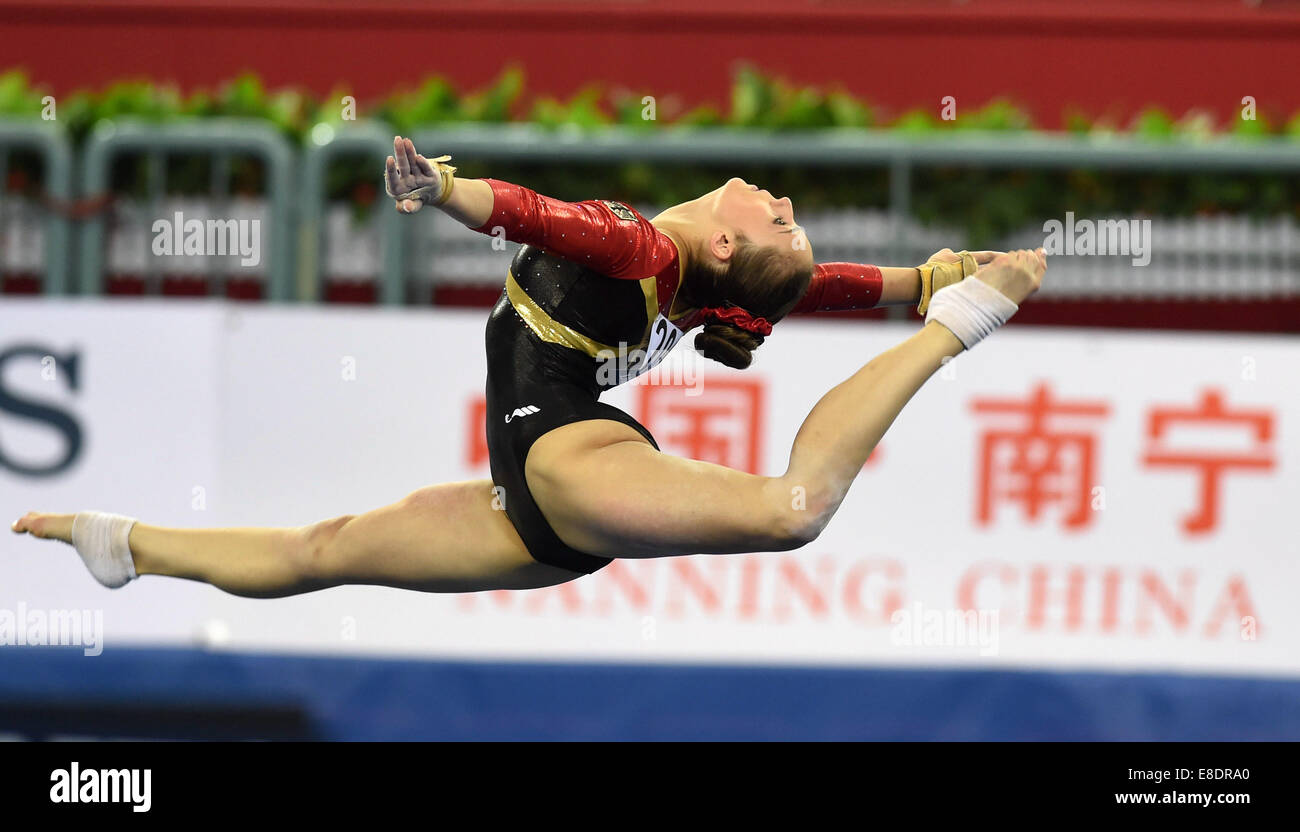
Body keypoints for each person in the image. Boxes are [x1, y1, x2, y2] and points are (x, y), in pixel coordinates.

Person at [11, 136, 1047, 598]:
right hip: (533, 509)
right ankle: (128, 544)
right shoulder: (707, 285)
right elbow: (835, 285)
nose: (782, 201)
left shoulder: (644, 249)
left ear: (728, 246)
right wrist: (928, 271)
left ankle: (955, 332)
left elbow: (536, 216)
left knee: (790, 508)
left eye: (781, 219)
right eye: (791, 213)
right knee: (321, 550)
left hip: (564, 461)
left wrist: (445, 194)